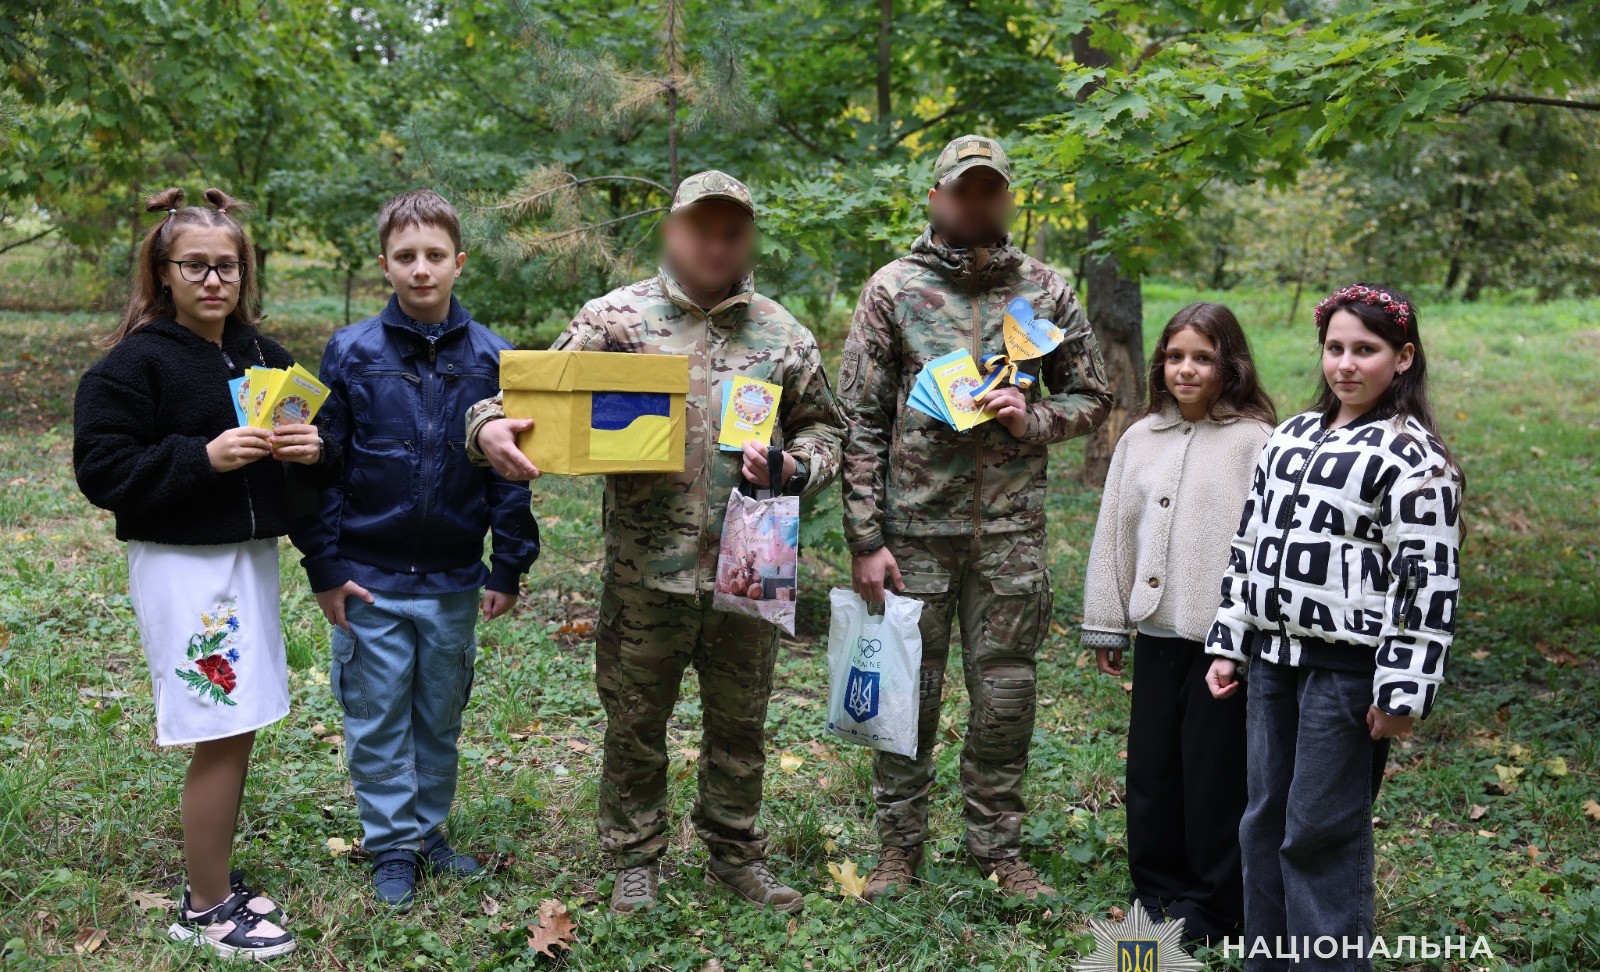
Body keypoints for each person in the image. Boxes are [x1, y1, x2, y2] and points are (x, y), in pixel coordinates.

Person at [467, 171, 845, 915]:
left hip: (752, 564)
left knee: (741, 725)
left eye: (731, 232)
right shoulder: (617, 320)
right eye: (701, 228)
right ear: (673, 231)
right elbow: (523, 401)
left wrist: (797, 467)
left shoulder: (783, 334)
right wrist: (486, 428)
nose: (716, 245)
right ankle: (635, 859)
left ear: (748, 239)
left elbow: (826, 429)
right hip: (647, 570)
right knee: (635, 722)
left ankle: (735, 854)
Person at [840, 136, 1113, 901]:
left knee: (1006, 696)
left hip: (1010, 533)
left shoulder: (1046, 291)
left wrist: (1034, 416)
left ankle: (998, 847)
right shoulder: (893, 289)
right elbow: (858, 420)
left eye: (990, 190)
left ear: (1006, 199)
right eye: (963, 190)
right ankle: (900, 849)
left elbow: (1094, 396)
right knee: (907, 693)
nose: (976, 203)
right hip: (912, 533)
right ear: (937, 198)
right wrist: (865, 537)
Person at [73, 187, 341, 958]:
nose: (214, 279)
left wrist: (314, 450)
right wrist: (205, 456)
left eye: (228, 265)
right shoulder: (135, 365)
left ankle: (212, 872)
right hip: (185, 568)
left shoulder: (262, 356)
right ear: (163, 272)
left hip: (246, 561)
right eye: (196, 265)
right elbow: (103, 469)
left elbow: (322, 447)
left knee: (238, 721)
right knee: (220, 726)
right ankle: (206, 909)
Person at [1204, 283, 1463, 972]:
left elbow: (1427, 583)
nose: (1346, 364)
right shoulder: (1288, 437)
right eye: (1335, 348)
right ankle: (1268, 968)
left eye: (1366, 350)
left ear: (1402, 358)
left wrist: (1403, 689)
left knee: (1319, 824)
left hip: (1348, 672)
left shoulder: (1414, 458)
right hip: (1273, 659)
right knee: (1263, 817)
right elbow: (1250, 545)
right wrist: (1230, 638)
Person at [291, 190, 539, 909]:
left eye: (435, 255)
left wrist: (509, 563)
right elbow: (324, 466)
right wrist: (325, 567)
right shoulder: (351, 352)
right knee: (375, 717)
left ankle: (428, 832)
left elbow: (510, 473)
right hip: (368, 577)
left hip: (454, 578)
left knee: (438, 715)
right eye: (406, 256)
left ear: (460, 262)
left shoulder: (495, 357)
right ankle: (392, 842)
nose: (421, 269)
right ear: (385, 265)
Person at [1080, 302, 1276, 943]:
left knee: (1214, 772)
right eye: (1174, 357)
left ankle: (1215, 901)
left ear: (1231, 365)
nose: (1185, 369)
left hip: (1222, 640)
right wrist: (1107, 620)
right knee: (1154, 768)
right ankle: (1156, 885)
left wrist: (1246, 633)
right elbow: (1114, 533)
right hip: (1157, 632)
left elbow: (1266, 543)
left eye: (1202, 358)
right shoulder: (1139, 438)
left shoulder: (1256, 442)